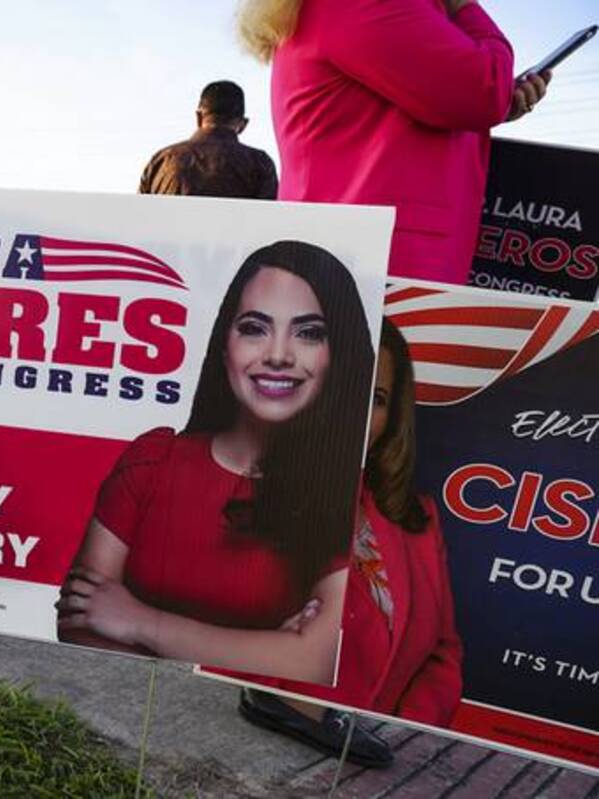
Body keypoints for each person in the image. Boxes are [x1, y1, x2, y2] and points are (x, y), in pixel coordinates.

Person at [57, 240, 374, 685]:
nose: (279, 354)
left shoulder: (346, 494)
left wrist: (141, 623)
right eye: (254, 328)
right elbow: (79, 624)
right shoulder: (154, 461)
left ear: (336, 355)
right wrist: (263, 655)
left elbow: (318, 663)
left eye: (308, 333)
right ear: (224, 345)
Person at [236, 319, 462, 767]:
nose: (359, 413)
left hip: (382, 758)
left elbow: (444, 652)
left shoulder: (419, 517)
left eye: (376, 399)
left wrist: (400, 736)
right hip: (278, 745)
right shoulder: (241, 496)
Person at [238, 0, 550, 283]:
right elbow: (483, 88)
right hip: (379, 258)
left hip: (353, 248)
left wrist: (492, 106)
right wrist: (462, 5)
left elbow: (411, 108)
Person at [139, 81, 278, 199]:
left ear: (199, 117)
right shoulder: (260, 164)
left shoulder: (161, 161)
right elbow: (268, 222)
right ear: (242, 125)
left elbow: (140, 219)